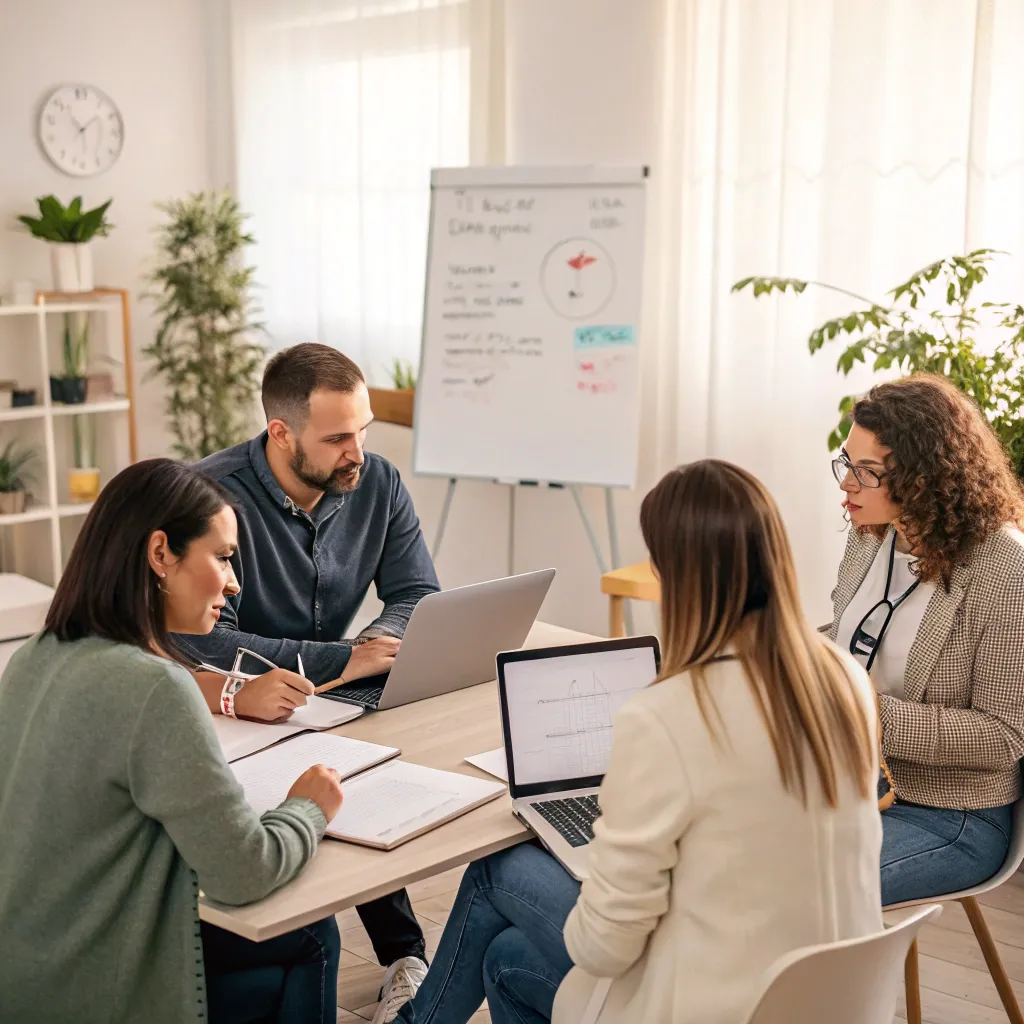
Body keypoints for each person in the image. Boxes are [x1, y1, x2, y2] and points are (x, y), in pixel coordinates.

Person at [394, 459, 884, 1024]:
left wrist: (595, 866)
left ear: (680, 577)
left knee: (496, 875)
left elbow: (603, 947)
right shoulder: (843, 677)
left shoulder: (668, 715)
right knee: (506, 956)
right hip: (829, 997)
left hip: (710, 1005)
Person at [0, 459, 345, 1024]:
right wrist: (309, 806)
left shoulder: (33, 657)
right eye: (223, 556)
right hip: (96, 994)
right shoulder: (156, 687)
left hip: (25, 975)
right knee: (311, 932)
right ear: (160, 553)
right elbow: (243, 874)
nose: (235, 582)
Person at [176, 342, 439, 1021]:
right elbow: (202, 636)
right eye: (339, 437)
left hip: (328, 693)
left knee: (401, 754)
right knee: (343, 772)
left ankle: (405, 960)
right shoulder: (212, 496)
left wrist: (372, 650)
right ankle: (393, 951)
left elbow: (416, 591)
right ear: (281, 433)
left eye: (364, 430)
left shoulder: (375, 482)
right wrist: (338, 663)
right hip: (238, 705)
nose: (358, 452)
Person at [828, 373, 1024, 906]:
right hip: (847, 780)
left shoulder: (1006, 570)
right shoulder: (873, 533)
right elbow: (853, 633)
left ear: (925, 479)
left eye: (867, 473)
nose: (847, 484)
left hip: (949, 813)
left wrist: (860, 711)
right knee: (714, 849)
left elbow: (1004, 737)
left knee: (797, 891)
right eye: (847, 462)